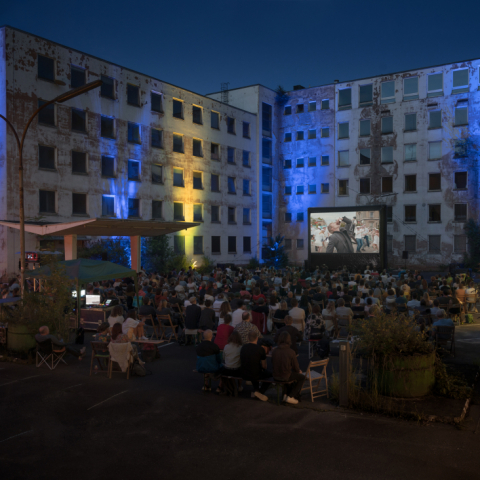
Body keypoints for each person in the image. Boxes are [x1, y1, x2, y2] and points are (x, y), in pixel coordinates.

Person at [272, 331, 305, 405]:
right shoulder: (291, 352)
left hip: (275, 376)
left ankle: (285, 395)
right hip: (285, 376)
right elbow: (296, 368)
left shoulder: (274, 351)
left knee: (288, 374)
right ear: (289, 340)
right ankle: (291, 396)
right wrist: (299, 371)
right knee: (302, 378)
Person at [240, 330, 272, 402]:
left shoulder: (243, 347)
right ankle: (259, 392)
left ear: (248, 338)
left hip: (243, 373)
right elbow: (264, 366)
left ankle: (256, 390)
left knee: (253, 369)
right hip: (255, 374)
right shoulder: (260, 349)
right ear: (257, 338)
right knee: (269, 375)